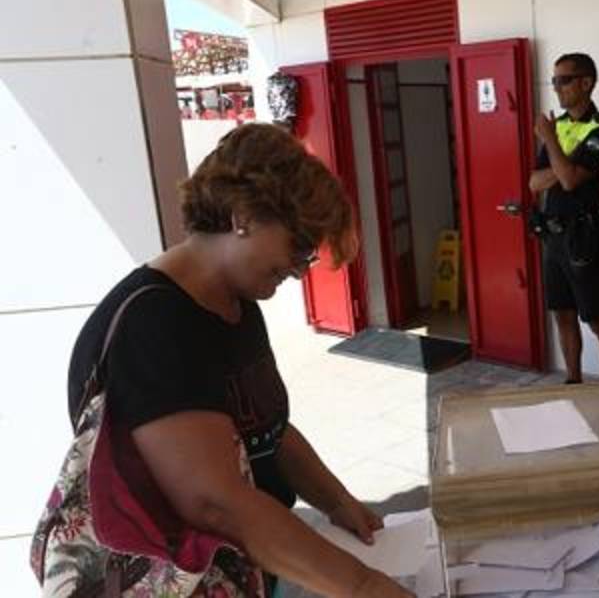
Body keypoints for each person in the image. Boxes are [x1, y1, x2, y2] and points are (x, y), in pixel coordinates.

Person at [57, 124, 413, 597]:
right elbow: (213, 503)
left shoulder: (237, 306)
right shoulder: (154, 324)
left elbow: (266, 429)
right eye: (300, 244)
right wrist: (362, 585)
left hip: (250, 569)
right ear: (243, 215)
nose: (301, 267)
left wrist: (336, 500)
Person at [528, 53, 599, 402]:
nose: (556, 89)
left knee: (598, 319)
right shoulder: (560, 125)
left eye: (563, 81)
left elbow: (568, 181)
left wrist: (550, 141)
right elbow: (535, 183)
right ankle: (573, 383)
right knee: (562, 314)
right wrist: (561, 162)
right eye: (553, 81)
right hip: (553, 236)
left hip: (584, 238)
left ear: (586, 83)